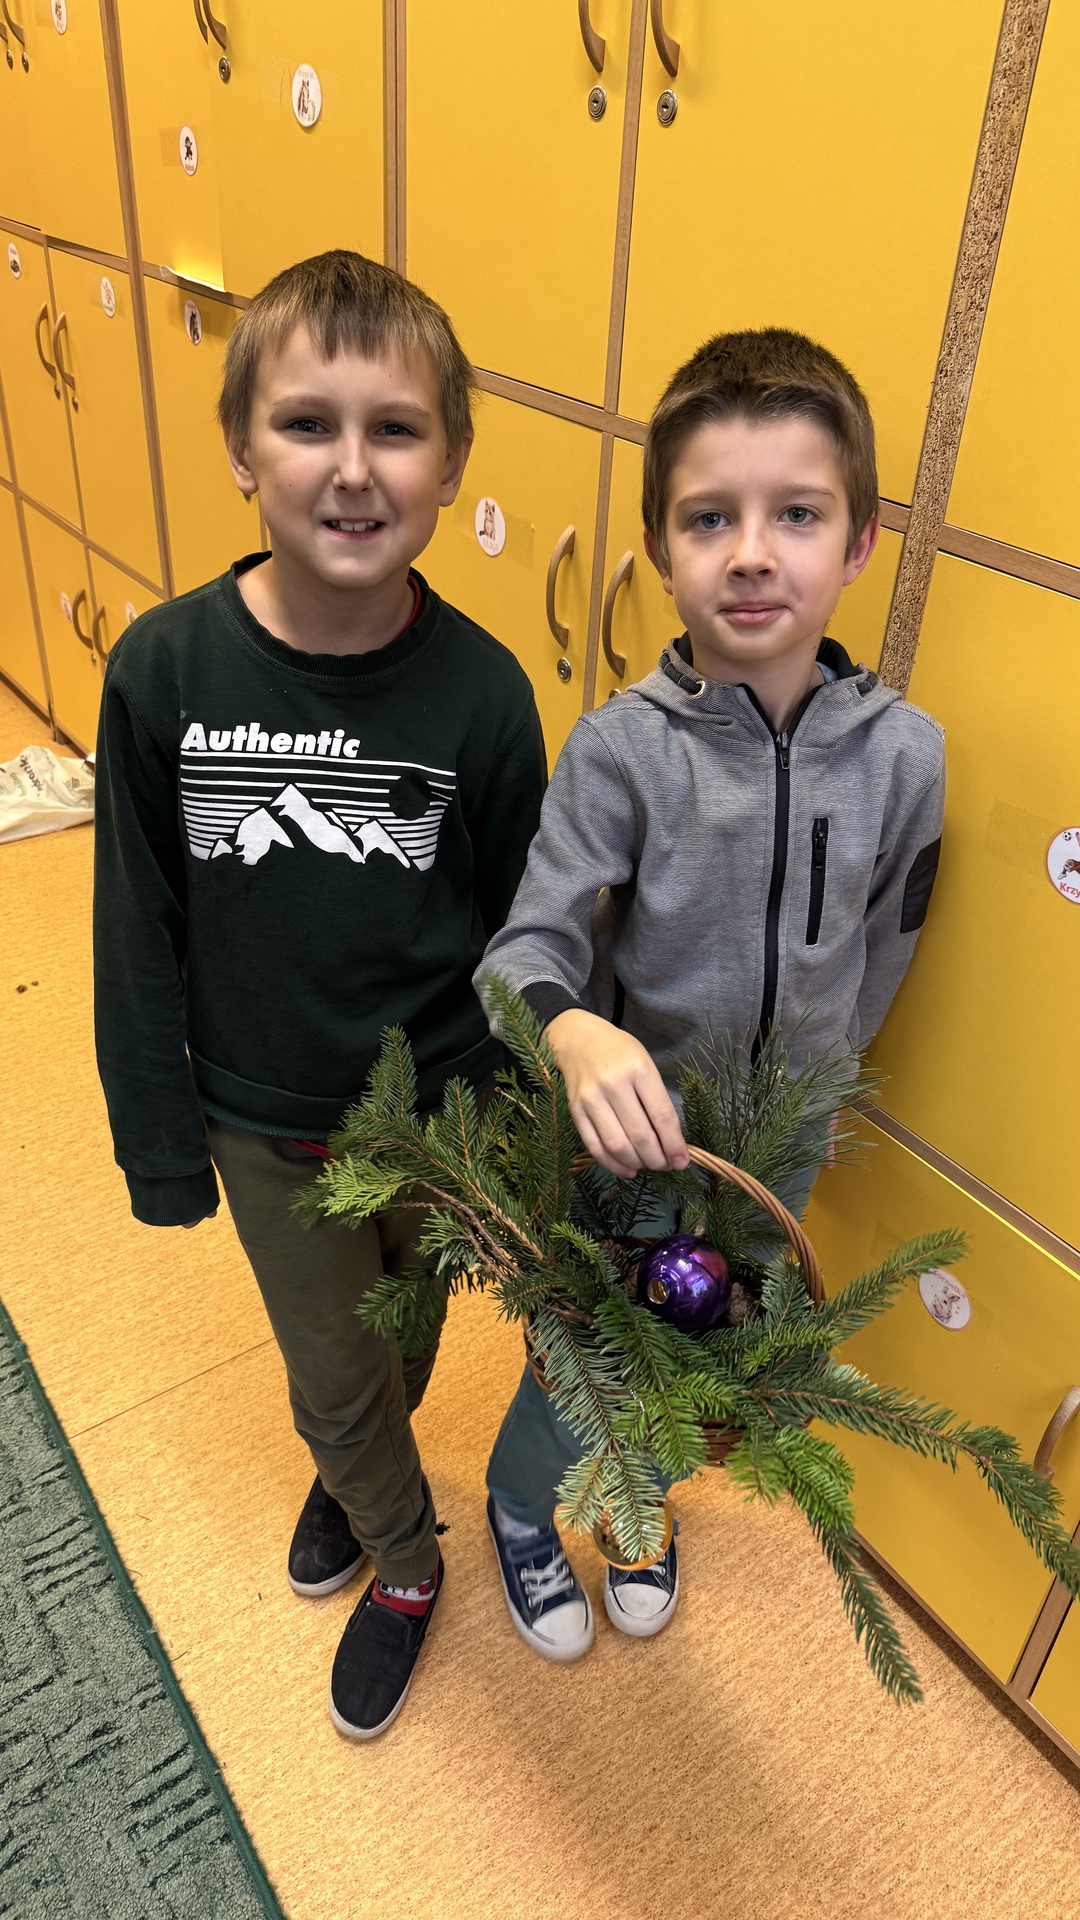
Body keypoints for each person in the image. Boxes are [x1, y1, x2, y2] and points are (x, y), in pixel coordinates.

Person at [93, 250, 546, 1739]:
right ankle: (406, 1559)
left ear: (451, 462)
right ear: (241, 447)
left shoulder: (483, 693)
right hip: (265, 1120)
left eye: (396, 429)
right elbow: (133, 928)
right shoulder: (164, 669)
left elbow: (522, 931)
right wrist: (162, 1143)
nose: (352, 470)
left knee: (402, 1337)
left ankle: (359, 1471)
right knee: (337, 1367)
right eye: (306, 424)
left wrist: (524, 1135)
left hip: (441, 1115)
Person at [476, 327, 944, 1660]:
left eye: (797, 513)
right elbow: (521, 955)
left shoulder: (906, 758)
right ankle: (520, 1505)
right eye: (708, 518)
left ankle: (642, 1503)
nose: (751, 553)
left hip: (769, 1162)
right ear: (659, 548)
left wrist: (824, 1090)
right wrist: (574, 1033)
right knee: (582, 1359)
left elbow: (886, 942)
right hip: (628, 1148)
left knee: (699, 1357)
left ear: (860, 542)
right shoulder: (623, 752)